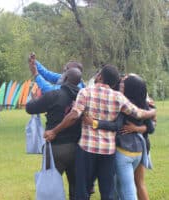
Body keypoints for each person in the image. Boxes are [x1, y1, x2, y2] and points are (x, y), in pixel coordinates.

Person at [44, 65, 156, 200]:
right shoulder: (118, 97)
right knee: (107, 192)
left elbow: (74, 116)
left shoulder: (85, 92)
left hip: (87, 149)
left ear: (99, 77)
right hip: (108, 151)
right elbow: (138, 113)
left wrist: (54, 131)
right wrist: (152, 112)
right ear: (115, 83)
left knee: (83, 190)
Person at [83, 74, 155, 200]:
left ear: (129, 89)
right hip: (139, 151)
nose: (121, 85)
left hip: (123, 150)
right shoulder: (143, 104)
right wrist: (138, 128)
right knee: (128, 185)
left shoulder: (122, 105)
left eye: (123, 84)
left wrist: (94, 122)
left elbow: (116, 125)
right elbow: (151, 128)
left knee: (128, 188)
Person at [26, 68, 82, 200]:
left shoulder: (54, 95)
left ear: (66, 78)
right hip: (77, 148)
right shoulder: (83, 97)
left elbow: (30, 108)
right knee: (75, 187)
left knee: (49, 187)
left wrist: (35, 100)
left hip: (55, 148)